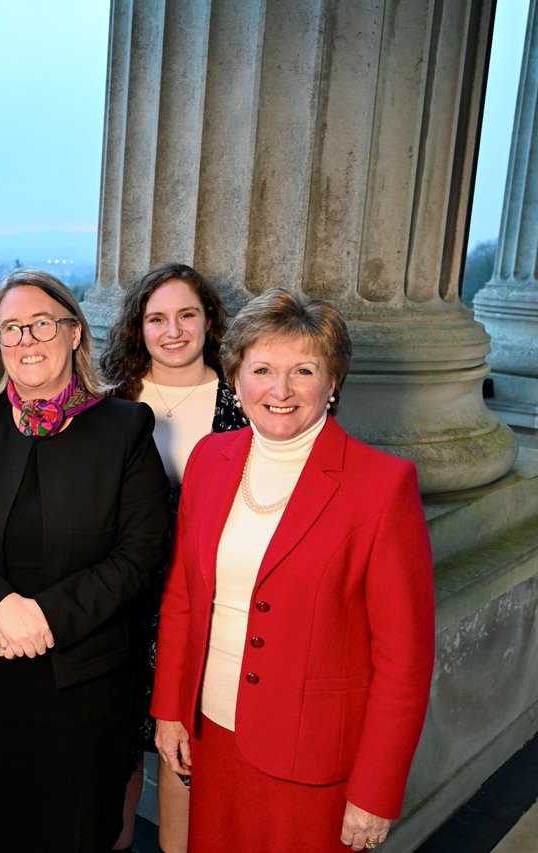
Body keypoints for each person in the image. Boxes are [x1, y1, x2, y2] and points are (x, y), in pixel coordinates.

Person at [152, 288, 435, 853]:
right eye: (261, 369)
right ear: (236, 378)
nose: (279, 391)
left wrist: (375, 791)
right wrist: (169, 711)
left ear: (332, 384)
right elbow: (183, 595)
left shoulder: (381, 486)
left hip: (313, 759)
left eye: (302, 371)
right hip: (212, 734)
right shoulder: (211, 459)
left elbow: (405, 660)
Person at [0, 269, 170, 853]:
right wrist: (1, 606)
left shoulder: (124, 427)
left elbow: (139, 554)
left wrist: (45, 617)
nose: (26, 340)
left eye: (41, 324)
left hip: (82, 687)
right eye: (10, 329)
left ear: (74, 333)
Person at [99, 262, 246, 852]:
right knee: (116, 749)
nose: (174, 330)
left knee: (186, 750)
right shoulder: (110, 398)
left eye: (188, 315)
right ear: (139, 328)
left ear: (210, 321)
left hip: (201, 604)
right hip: (119, 601)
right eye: (157, 318)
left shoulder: (243, 401)